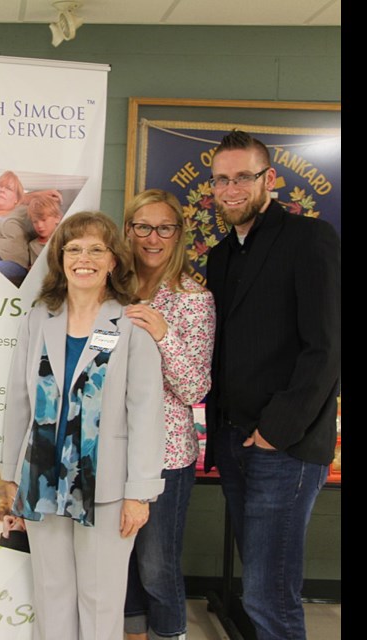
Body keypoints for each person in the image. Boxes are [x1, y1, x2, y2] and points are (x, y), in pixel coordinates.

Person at [1, 211, 166, 640]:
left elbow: (147, 411)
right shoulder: (40, 317)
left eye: (96, 249)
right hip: (42, 477)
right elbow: (19, 401)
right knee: (50, 592)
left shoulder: (132, 322)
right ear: (60, 258)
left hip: (108, 487)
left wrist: (140, 492)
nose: (84, 258)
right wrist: (8, 476)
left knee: (100, 599)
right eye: (73, 249)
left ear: (113, 261)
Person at [204, 130, 341, 640]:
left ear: (269, 180)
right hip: (235, 441)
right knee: (259, 584)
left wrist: (275, 431)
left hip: (284, 446)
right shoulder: (220, 256)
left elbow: (326, 347)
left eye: (244, 176)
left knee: (269, 593)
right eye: (222, 178)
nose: (231, 187)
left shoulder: (310, 238)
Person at [121, 189, 215, 640]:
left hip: (166, 453)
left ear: (178, 234)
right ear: (128, 230)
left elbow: (195, 387)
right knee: (119, 565)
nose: (152, 237)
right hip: (111, 449)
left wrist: (163, 334)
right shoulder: (110, 289)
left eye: (164, 227)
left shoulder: (193, 299)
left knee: (157, 568)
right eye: (143, 226)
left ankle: (169, 634)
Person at [23, 193, 64, 266]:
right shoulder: (33, 245)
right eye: (35, 221)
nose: (39, 225)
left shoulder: (64, 239)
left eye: (44, 220)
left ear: (57, 218)